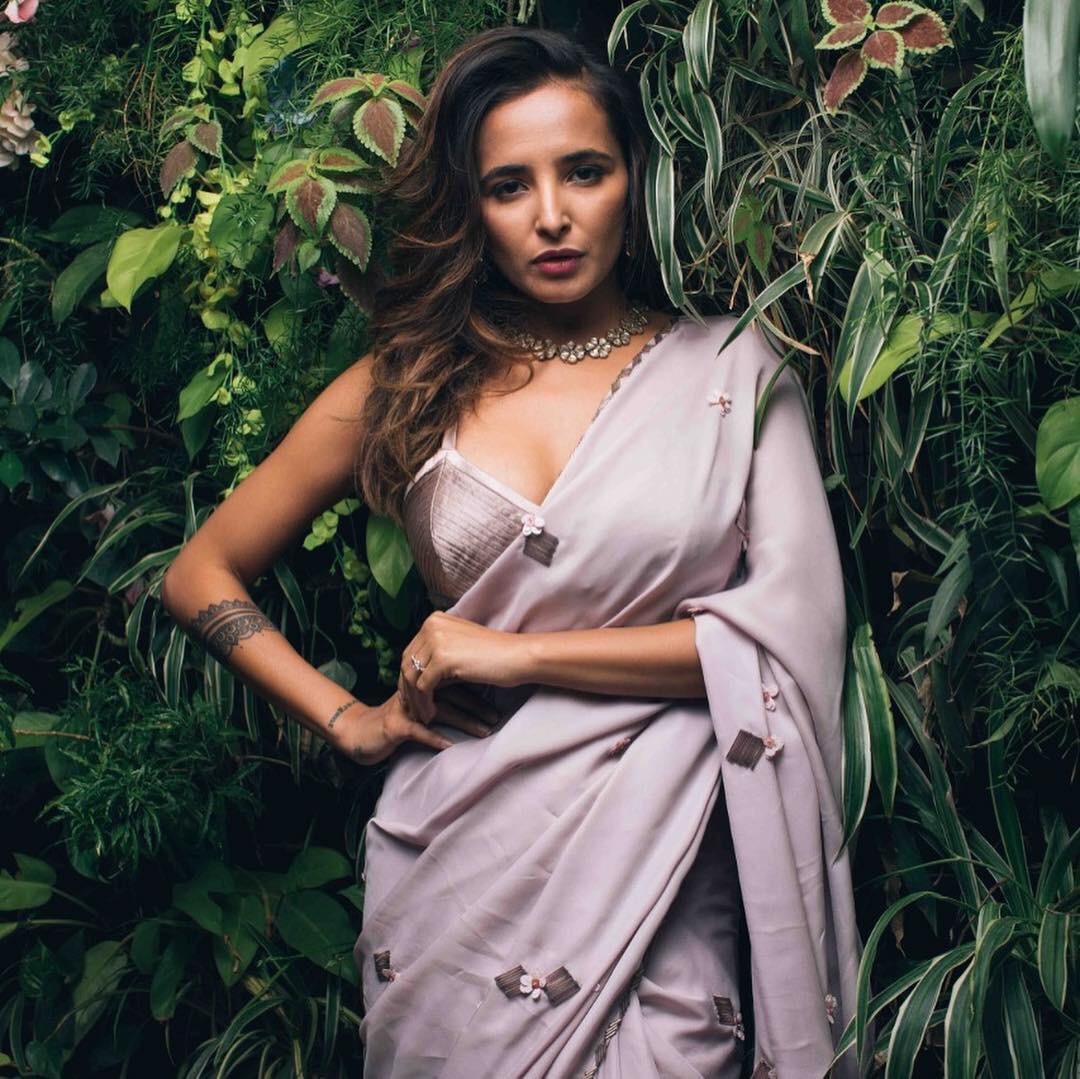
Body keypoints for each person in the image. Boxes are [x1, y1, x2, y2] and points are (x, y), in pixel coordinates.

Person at [161, 25, 863, 1079]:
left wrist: (518, 652)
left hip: (661, 864)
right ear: (470, 208)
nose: (551, 215)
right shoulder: (408, 380)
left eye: (584, 171)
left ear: (633, 179)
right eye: (508, 185)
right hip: (458, 864)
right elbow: (198, 573)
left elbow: (789, 637)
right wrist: (350, 721)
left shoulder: (732, 370)